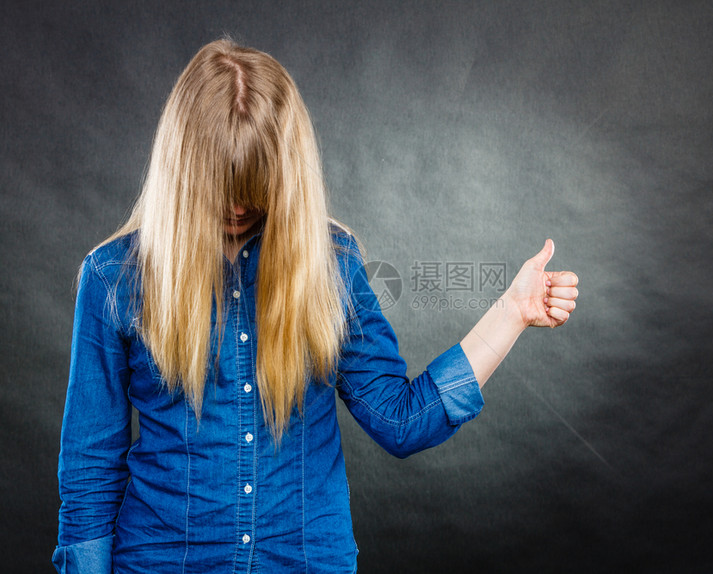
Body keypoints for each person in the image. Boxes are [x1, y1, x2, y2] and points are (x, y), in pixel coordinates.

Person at [52, 38, 579, 573]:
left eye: (255, 184)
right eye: (222, 185)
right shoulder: (112, 278)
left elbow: (402, 421)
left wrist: (511, 312)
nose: (238, 205)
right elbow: (89, 471)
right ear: (182, 169)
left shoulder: (334, 265)